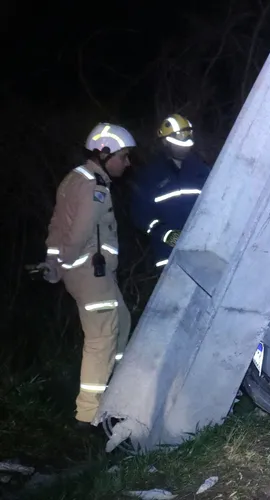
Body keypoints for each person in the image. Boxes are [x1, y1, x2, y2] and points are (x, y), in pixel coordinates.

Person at [42, 122, 135, 428]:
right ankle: (88, 415)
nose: (127, 163)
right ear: (104, 153)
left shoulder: (74, 178)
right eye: (123, 156)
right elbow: (80, 232)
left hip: (91, 274)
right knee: (102, 339)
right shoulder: (94, 186)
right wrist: (65, 263)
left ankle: (119, 388)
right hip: (90, 275)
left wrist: (54, 262)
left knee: (122, 322)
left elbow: (57, 224)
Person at [130, 113, 212, 268]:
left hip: (203, 253)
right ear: (165, 142)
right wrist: (165, 233)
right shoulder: (150, 176)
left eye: (187, 144)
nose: (184, 148)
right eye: (179, 144)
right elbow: (140, 215)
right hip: (169, 258)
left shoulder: (202, 170)